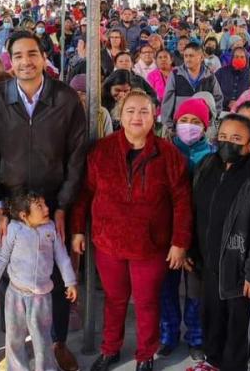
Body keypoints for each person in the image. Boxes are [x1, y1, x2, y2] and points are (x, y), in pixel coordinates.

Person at [0, 31, 88, 371]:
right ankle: (15, 349)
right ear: (10, 60)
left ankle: (56, 343)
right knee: (12, 273)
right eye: (18, 55)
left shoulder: (66, 98)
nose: (25, 61)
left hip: (50, 202)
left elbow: (77, 156)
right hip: (11, 205)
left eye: (32, 54)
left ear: (44, 57)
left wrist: (61, 206)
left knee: (52, 273)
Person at [71, 89, 192, 371]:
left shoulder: (169, 154)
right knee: (114, 300)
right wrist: (78, 230)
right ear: (120, 116)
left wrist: (179, 242)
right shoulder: (101, 150)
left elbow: (182, 201)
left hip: (150, 245)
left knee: (147, 302)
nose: (137, 117)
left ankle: (144, 355)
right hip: (108, 241)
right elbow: (85, 193)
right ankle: (110, 349)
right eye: (130, 111)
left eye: (144, 111)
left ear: (154, 116)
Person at [188, 114, 250, 371]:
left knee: (236, 331)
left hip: (241, 270)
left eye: (237, 139)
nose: (228, 143)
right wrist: (191, 250)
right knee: (211, 321)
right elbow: (194, 211)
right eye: (224, 137)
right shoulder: (208, 165)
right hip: (209, 264)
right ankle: (211, 363)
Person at [0, 191, 78, 371]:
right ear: (24, 216)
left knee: (42, 337)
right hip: (15, 295)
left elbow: (62, 257)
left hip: (41, 297)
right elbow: (1, 257)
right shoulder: (14, 229)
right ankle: (16, 368)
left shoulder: (51, 229)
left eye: (45, 204)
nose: (47, 208)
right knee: (14, 337)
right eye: (40, 206)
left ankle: (46, 368)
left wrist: (70, 282)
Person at [157, 98, 214, 360]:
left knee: (195, 292)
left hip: (199, 237)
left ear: (205, 126)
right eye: (184, 121)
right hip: (166, 234)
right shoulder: (163, 151)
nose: (188, 127)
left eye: (195, 122)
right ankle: (168, 335)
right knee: (166, 289)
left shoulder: (212, 156)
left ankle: (196, 337)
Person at [160, 42, 224, 137]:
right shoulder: (175, 74)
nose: (188, 59)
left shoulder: (210, 76)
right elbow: (167, 102)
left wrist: (210, 122)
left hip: (202, 129)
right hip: (180, 126)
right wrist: (169, 125)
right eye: (186, 56)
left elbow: (218, 99)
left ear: (201, 57)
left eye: (191, 56)